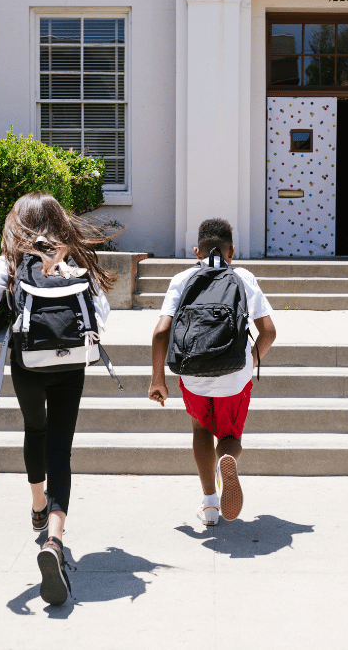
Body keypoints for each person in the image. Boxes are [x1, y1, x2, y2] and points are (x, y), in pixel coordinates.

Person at [0, 191, 115, 605]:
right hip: (71, 364)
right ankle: (55, 541)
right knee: (60, 448)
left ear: (19, 222)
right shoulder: (77, 261)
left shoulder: (9, 263)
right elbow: (100, 316)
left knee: (35, 430)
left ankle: (37, 503)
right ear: (60, 221)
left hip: (28, 362)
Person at [148, 218, 276, 526]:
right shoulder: (243, 277)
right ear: (232, 250)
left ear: (196, 251)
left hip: (193, 373)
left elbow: (161, 332)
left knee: (200, 430)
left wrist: (157, 380)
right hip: (235, 375)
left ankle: (209, 504)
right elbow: (269, 332)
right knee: (230, 435)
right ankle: (226, 458)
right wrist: (251, 360)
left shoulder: (182, 278)